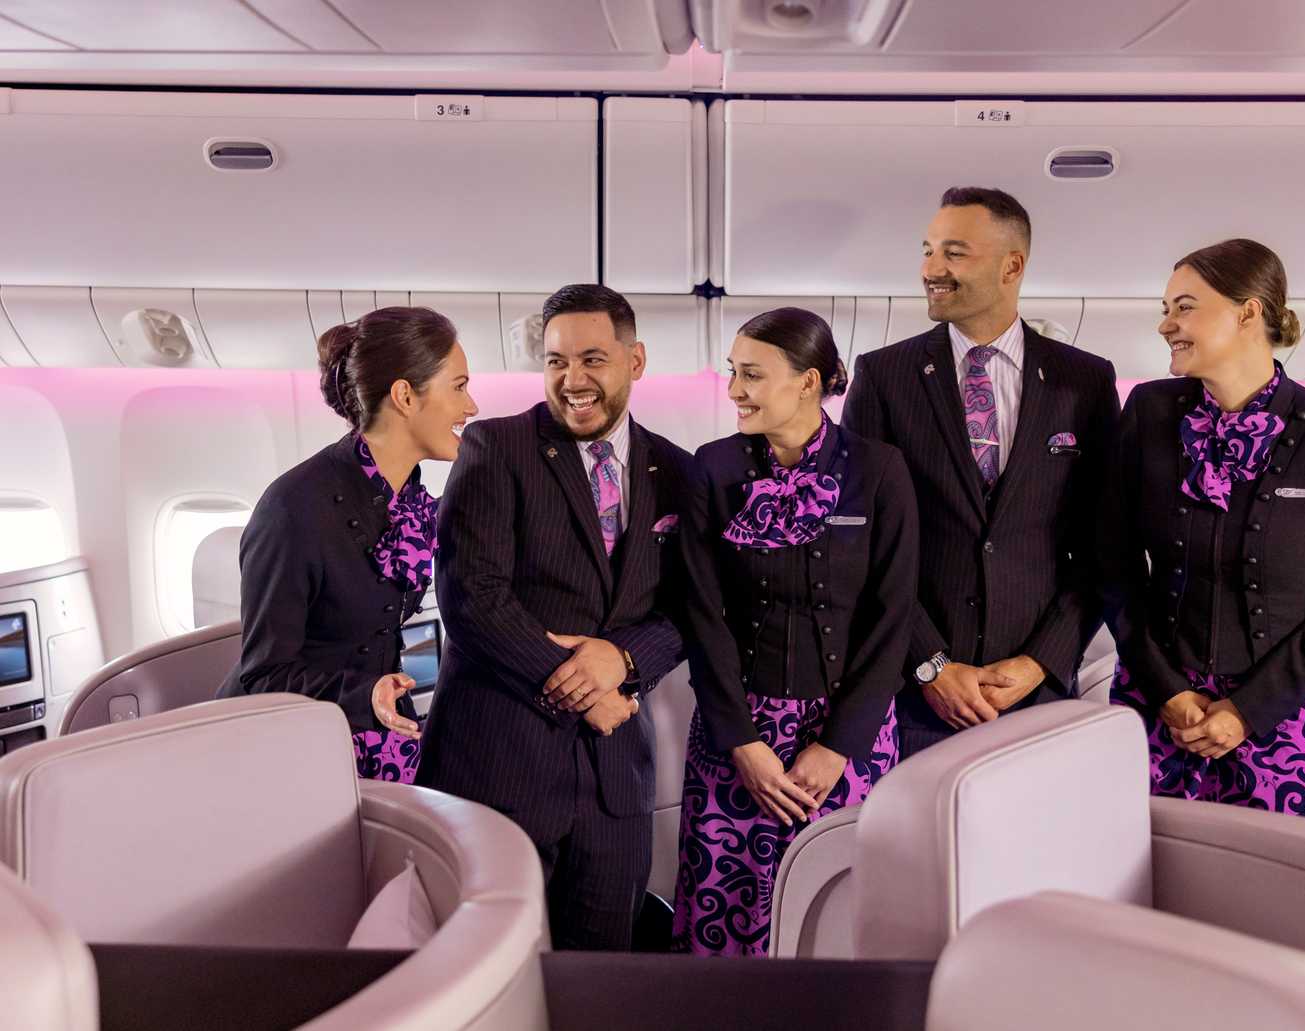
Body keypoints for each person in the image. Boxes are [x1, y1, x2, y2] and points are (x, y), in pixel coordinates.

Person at [414, 284, 695, 950]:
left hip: (612, 790)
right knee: (487, 980)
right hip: (498, 768)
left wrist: (622, 661)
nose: (572, 380)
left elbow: (688, 609)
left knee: (598, 986)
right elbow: (472, 599)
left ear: (636, 360)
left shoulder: (678, 473)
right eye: (555, 360)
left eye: (593, 359)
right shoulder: (496, 448)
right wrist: (585, 687)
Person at [1108, 238, 1305, 822]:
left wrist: (1246, 710)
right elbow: (1110, 561)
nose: (1166, 324)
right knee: (1147, 897)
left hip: (1292, 723)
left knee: (1278, 902)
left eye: (1184, 306)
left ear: (1247, 312)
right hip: (1159, 715)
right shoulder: (1148, 412)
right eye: (1165, 309)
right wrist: (1167, 690)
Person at [842, 186, 1121, 756]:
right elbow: (859, 541)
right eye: (927, 251)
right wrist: (931, 665)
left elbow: (1102, 547)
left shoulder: (1083, 382)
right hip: (915, 694)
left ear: (1011, 265)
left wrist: (1040, 661)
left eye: (954, 253)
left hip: (1036, 695)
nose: (930, 269)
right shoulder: (884, 377)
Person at [673, 307, 917, 956]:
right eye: (733, 372)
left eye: (752, 374)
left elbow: (891, 618)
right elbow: (704, 614)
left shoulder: (879, 470)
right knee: (728, 921)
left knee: (836, 917)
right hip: (738, 740)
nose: (734, 390)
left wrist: (838, 745)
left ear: (809, 381)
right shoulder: (715, 469)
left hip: (848, 741)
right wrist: (743, 744)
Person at [220, 307, 477, 782]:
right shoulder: (293, 509)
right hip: (284, 751)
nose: (472, 407)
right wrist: (366, 694)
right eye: (459, 387)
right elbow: (263, 676)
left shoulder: (412, 499)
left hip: (374, 729)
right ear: (404, 396)